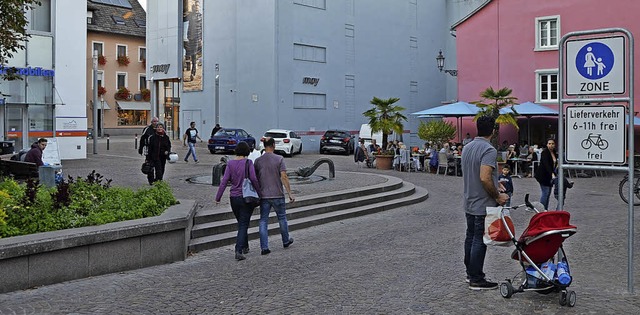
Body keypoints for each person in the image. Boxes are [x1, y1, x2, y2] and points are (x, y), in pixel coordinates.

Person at [461, 115, 509, 290]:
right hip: (482, 203)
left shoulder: (467, 147)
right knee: (479, 240)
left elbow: (475, 174)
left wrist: (496, 182)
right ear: (494, 131)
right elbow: (484, 177)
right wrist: (497, 195)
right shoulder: (489, 150)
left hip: (469, 200)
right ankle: (476, 278)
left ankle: (470, 273)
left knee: (470, 237)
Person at [215, 141, 261, 261]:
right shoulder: (248, 162)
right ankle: (238, 250)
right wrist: (260, 193)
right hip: (246, 197)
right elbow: (254, 179)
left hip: (233, 198)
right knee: (243, 224)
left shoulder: (230, 164)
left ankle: (245, 246)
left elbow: (224, 181)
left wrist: (218, 197)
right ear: (247, 151)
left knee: (241, 222)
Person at [254, 137, 295, 255]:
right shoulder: (279, 159)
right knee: (282, 218)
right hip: (277, 194)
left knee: (263, 220)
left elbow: (255, 178)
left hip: (264, 195)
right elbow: (284, 177)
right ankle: (285, 240)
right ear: (273, 145)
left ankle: (264, 247)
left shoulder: (258, 161)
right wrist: (290, 193)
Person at [535, 138, 557, 210]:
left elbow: (554, 164)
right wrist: (552, 174)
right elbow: (546, 164)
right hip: (543, 176)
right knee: (545, 192)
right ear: (547, 145)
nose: (551, 145)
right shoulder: (544, 153)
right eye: (549, 144)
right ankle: (541, 209)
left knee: (548, 194)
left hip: (550, 177)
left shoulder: (554, 153)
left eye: (552, 144)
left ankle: (545, 209)